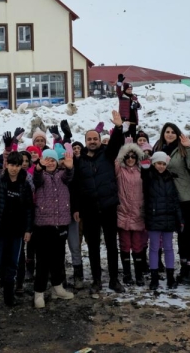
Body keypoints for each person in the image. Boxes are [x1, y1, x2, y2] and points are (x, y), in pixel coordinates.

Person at [71, 110, 124, 294]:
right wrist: (76, 207)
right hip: (89, 209)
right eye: (89, 139)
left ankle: (114, 280)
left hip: (108, 206)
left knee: (111, 245)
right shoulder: (80, 161)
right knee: (93, 247)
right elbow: (76, 186)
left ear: (100, 140)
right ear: (85, 142)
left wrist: (118, 127)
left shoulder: (108, 154)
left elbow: (117, 142)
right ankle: (96, 280)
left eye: (95, 138)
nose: (93, 141)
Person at [0, 151, 35, 309]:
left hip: (16, 231)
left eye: (17, 165)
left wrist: (28, 229)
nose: (14, 168)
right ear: (7, 165)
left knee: (12, 263)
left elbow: (28, 208)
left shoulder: (24, 184)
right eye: (12, 165)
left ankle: (8, 296)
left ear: (21, 167)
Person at [153, 122, 190, 285]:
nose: (170, 134)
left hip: (189, 196)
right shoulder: (158, 148)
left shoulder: (182, 148)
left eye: (173, 132)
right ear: (163, 134)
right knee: (180, 233)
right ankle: (184, 267)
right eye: (167, 131)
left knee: (189, 232)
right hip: (172, 198)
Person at [31, 147, 76, 308]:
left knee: (58, 258)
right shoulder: (40, 175)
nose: (50, 163)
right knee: (43, 260)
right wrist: (39, 167)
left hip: (61, 222)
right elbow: (36, 179)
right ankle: (39, 292)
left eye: (52, 160)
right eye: (47, 160)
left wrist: (69, 166)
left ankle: (58, 287)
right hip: (43, 224)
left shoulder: (62, 175)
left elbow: (69, 175)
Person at [142, 151, 181, 291]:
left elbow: (175, 199)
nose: (161, 166)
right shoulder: (149, 177)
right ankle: (154, 277)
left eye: (164, 164)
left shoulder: (170, 178)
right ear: (154, 163)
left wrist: (179, 218)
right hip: (153, 217)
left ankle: (170, 276)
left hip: (169, 217)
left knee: (169, 247)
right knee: (154, 248)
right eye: (159, 163)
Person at [115, 142, 148, 286]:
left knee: (138, 245)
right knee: (124, 244)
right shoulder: (119, 171)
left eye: (133, 156)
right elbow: (116, 160)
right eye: (127, 156)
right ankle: (127, 274)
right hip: (123, 211)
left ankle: (139, 274)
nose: (130, 159)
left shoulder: (142, 171)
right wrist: (123, 149)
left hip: (138, 212)